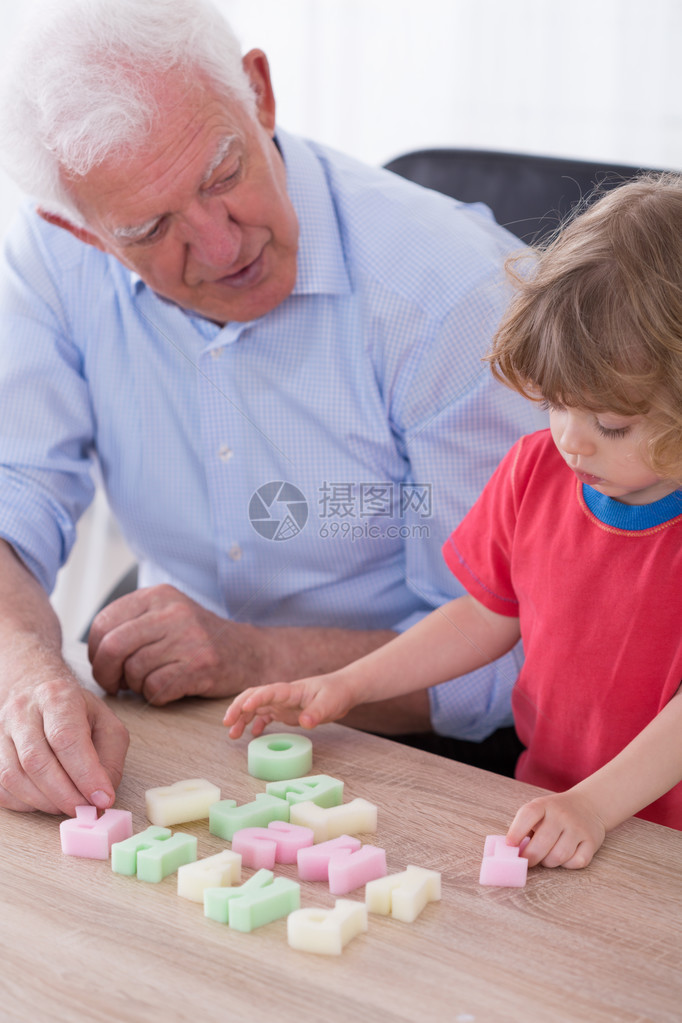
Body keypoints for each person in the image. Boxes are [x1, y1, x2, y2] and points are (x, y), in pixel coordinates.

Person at [0, 0, 543, 816]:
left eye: (223, 174)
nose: (222, 248)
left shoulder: (453, 296)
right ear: (83, 234)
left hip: (431, 753)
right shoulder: (52, 257)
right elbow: (14, 494)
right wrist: (24, 672)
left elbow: (518, 651)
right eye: (150, 228)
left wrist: (253, 657)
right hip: (184, 718)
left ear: (260, 93)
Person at [225, 173, 682, 870]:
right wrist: (350, 683)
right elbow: (485, 615)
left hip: (651, 841)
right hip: (553, 811)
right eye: (555, 403)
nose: (572, 440)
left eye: (612, 424)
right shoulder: (538, 471)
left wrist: (594, 803)